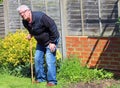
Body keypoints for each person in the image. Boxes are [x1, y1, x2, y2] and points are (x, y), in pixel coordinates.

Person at [17, 5, 60, 86]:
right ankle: (40, 78)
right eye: (20, 14)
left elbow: (53, 26)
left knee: (49, 60)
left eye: (23, 12)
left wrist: (53, 42)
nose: (22, 15)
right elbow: (33, 29)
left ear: (28, 11)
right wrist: (31, 34)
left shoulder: (41, 17)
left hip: (51, 40)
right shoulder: (25, 22)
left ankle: (52, 81)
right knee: (37, 59)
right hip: (41, 42)